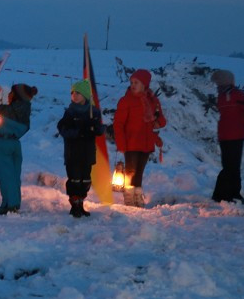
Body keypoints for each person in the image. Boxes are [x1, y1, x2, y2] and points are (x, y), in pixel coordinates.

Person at [210, 69, 244, 204]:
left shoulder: (222, 96)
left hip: (225, 134)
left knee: (229, 165)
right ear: (229, 81)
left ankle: (226, 194)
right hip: (235, 135)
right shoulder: (234, 94)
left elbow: (235, 111)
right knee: (233, 167)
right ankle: (228, 195)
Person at [113, 68, 167, 208]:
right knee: (130, 171)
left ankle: (137, 196)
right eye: (132, 82)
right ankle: (129, 197)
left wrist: (157, 121)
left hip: (146, 142)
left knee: (140, 171)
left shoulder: (153, 101)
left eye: (136, 82)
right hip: (131, 142)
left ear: (145, 84)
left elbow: (162, 120)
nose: (133, 85)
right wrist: (121, 143)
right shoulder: (126, 101)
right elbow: (118, 124)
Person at [0, 83, 37, 215]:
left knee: (5, 175)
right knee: (14, 175)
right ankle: (14, 203)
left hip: (2, 143)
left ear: (17, 96)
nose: (8, 95)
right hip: (15, 144)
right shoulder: (25, 110)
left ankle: (9, 205)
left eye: (11, 93)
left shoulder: (9, 110)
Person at [57, 80, 104, 218]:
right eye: (72, 93)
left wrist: (96, 129)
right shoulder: (70, 112)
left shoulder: (93, 112)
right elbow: (63, 129)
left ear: (85, 95)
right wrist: (78, 132)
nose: (74, 95)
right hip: (73, 153)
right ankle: (74, 205)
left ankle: (81, 203)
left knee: (85, 180)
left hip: (88, 152)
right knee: (74, 179)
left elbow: (99, 128)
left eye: (77, 92)